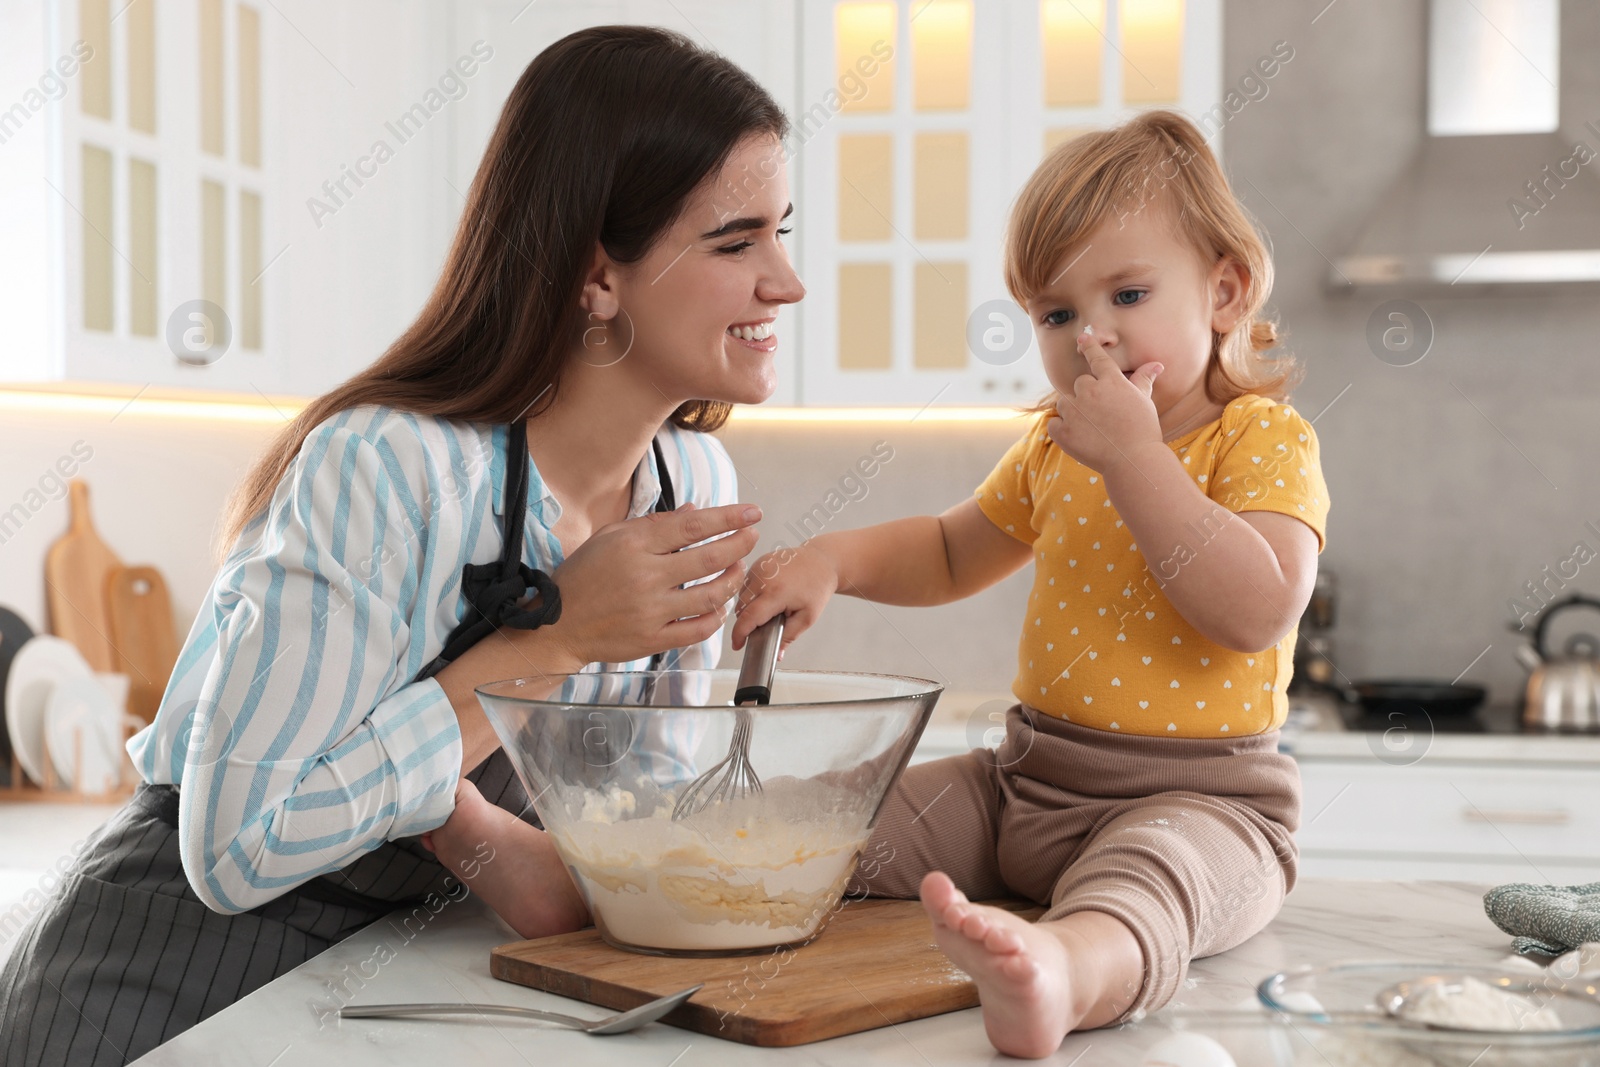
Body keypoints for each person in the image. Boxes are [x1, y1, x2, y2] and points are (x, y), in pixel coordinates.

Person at [0, 25, 802, 1066]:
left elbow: (624, 812)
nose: (784, 281)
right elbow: (238, 846)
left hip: (392, 971)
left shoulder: (692, 484)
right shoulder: (388, 468)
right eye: (737, 242)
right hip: (158, 984)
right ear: (597, 277)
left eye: (784, 231)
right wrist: (552, 637)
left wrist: (500, 839)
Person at [733, 110, 1329, 1059]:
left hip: (1205, 805)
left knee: (1147, 885)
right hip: (1024, 783)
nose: (1090, 334)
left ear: (1225, 290)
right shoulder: (1058, 446)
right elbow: (947, 550)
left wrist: (1137, 458)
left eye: (1128, 293)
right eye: (1056, 314)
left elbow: (1255, 610)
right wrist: (834, 561)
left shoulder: (1259, 438)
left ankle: (1059, 972)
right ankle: (591, 874)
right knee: (823, 813)